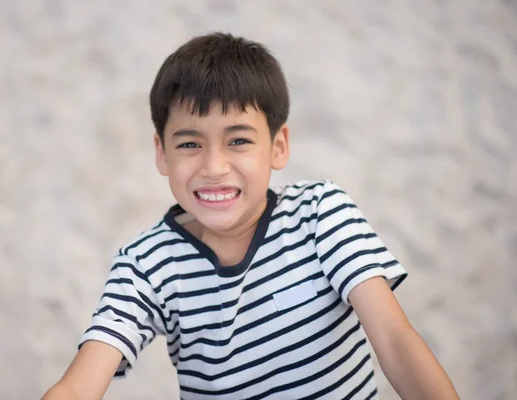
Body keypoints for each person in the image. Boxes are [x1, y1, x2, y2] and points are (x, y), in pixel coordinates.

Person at [42, 32, 459, 400]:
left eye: (238, 140)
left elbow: (395, 339)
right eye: (189, 144)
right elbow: (79, 385)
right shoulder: (146, 266)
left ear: (279, 146)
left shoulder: (320, 215)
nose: (214, 166)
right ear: (161, 152)